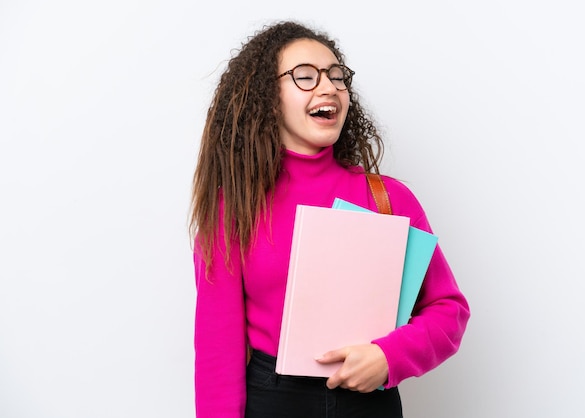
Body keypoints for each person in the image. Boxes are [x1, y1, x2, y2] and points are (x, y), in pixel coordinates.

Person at [189, 20, 470, 418]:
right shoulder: (233, 208)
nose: (329, 87)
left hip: (370, 404)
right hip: (272, 400)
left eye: (337, 76)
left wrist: (389, 357)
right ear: (268, 98)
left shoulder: (389, 198)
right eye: (305, 76)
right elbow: (218, 349)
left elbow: (448, 309)